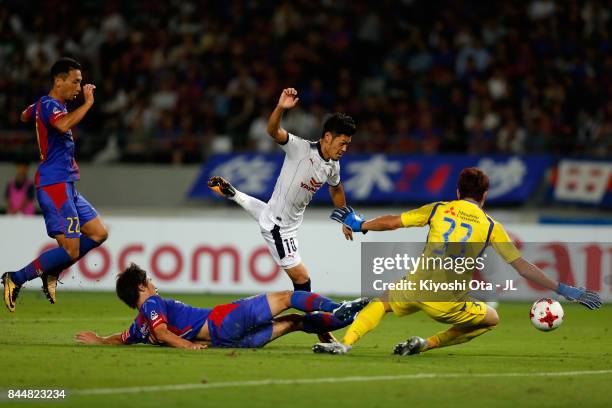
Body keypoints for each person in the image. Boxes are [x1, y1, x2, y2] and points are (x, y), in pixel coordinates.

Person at [313, 167, 602, 355]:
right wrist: (564, 290)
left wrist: (361, 224)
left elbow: (392, 222)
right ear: (485, 196)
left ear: (458, 193)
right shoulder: (490, 226)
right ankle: (426, 344)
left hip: (415, 287)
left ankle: (344, 344)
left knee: (380, 302)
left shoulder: (439, 208)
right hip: (449, 303)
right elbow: (522, 266)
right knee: (492, 318)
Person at [208, 88, 358, 342]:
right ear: (328, 137)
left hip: (282, 219)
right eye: (342, 142)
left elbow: (336, 188)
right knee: (302, 279)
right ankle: (320, 329)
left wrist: (344, 216)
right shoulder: (300, 149)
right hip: (278, 227)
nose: (344, 148)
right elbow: (272, 132)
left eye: (348, 144)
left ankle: (234, 193)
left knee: (267, 212)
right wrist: (280, 108)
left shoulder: (333, 166)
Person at [2, 58, 108, 312]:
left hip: (67, 185)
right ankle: (14, 279)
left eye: (80, 82)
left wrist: (35, 111)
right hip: (54, 184)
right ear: (58, 81)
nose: (78, 87)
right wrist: (88, 103)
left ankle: (52, 271)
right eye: (75, 81)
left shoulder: (46, 104)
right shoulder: (52, 106)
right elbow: (62, 124)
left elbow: (24, 115)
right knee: (71, 249)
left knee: (98, 233)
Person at [75, 263, 369, 349]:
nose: (154, 285)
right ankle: (339, 309)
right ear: (141, 287)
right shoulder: (152, 304)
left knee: (296, 322)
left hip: (230, 341)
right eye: (149, 281)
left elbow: (121, 339)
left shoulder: (139, 326)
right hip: (222, 321)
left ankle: (342, 317)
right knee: (288, 297)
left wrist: (100, 339)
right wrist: (188, 347)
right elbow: (163, 333)